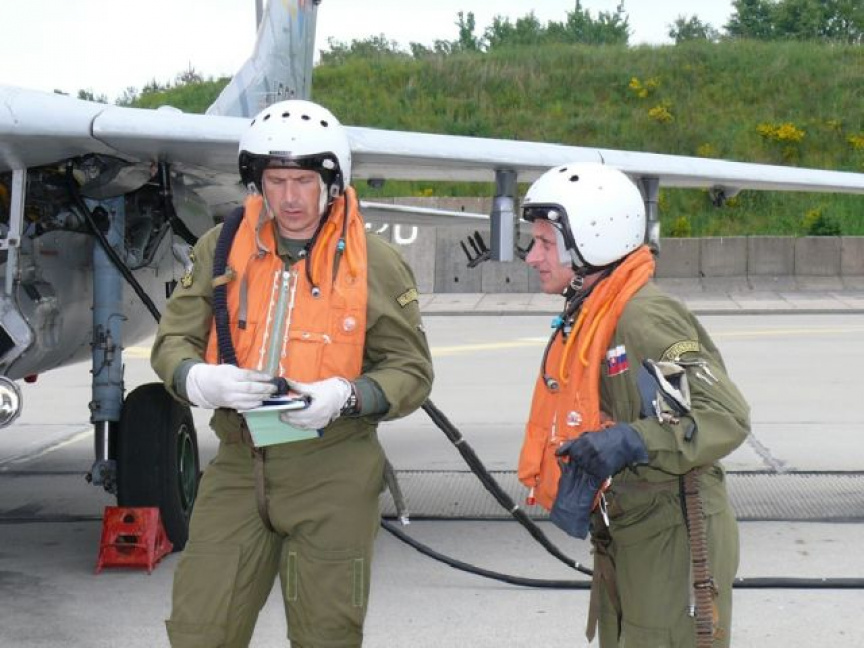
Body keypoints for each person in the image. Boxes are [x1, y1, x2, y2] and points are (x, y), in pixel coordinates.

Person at [151, 99, 434, 647]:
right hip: (240, 462)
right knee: (199, 629)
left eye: (303, 181)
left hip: (333, 468)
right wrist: (198, 380)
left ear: (331, 183)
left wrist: (346, 395)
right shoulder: (220, 249)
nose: (289, 197)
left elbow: (411, 371)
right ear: (257, 182)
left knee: (326, 635)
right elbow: (173, 341)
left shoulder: (374, 263)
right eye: (276, 181)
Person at [518, 162, 750, 647]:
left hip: (674, 530)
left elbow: (726, 416)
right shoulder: (594, 313)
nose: (532, 257)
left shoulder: (642, 317)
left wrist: (631, 439)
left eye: (545, 243)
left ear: (592, 241)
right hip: (632, 525)